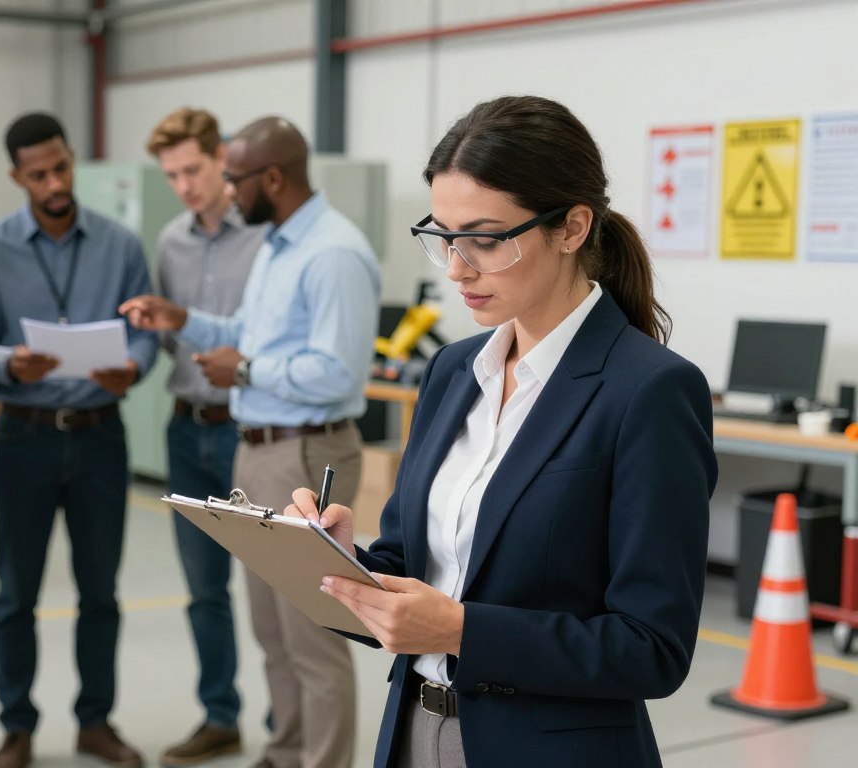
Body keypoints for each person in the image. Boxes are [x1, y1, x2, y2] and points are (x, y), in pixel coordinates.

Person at [288, 95, 719, 768]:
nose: (457, 267)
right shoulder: (453, 371)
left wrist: (461, 630)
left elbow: (652, 649)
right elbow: (413, 566)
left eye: (485, 240)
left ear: (572, 227)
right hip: (413, 732)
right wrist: (344, 566)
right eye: (443, 237)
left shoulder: (649, 392)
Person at [121, 116, 381, 768]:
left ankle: (322, 760)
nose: (228, 191)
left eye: (235, 179)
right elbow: (247, 331)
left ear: (273, 178)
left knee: (312, 632)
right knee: (271, 626)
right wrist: (185, 319)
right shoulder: (277, 245)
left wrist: (244, 372)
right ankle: (286, 750)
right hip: (260, 448)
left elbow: (339, 372)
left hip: (306, 451)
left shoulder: (332, 252)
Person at [0, 112, 158, 768]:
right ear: (17, 177)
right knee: (16, 592)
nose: (54, 184)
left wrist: (133, 366)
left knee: (100, 591)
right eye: (39, 175)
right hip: (25, 439)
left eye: (62, 168)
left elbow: (145, 332)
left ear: (72, 160)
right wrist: (10, 364)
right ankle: (16, 727)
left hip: (101, 437)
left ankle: (95, 723)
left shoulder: (120, 246)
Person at [144, 107, 266, 766]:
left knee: (277, 588)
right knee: (203, 590)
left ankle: (286, 727)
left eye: (193, 169)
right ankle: (221, 717)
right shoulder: (171, 242)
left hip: (254, 431)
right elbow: (173, 337)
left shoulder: (267, 235)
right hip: (187, 431)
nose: (185, 185)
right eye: (172, 175)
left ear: (222, 157)